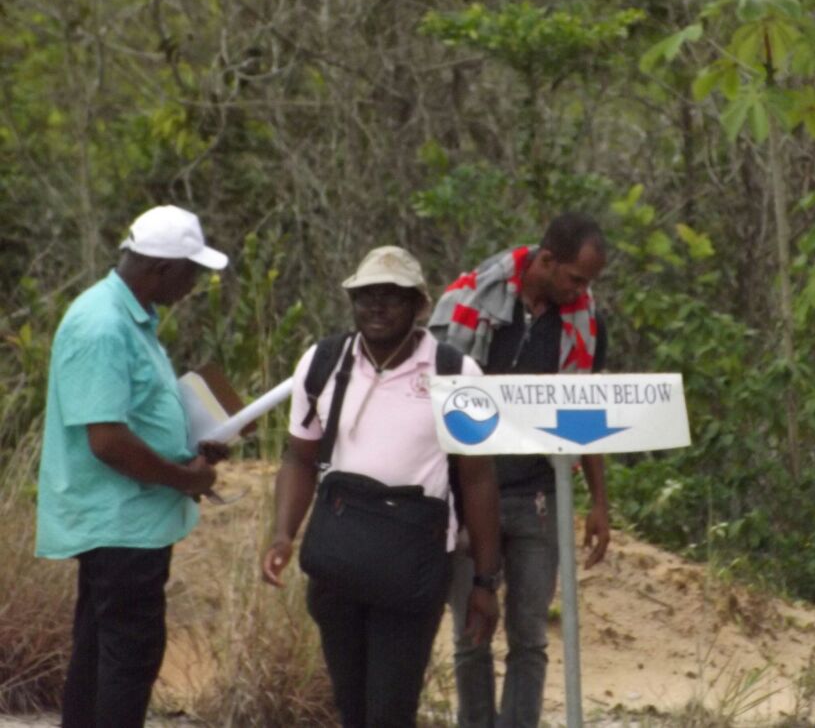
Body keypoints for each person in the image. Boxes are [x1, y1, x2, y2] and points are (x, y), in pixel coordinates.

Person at [261, 246, 500, 728]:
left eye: (392, 296)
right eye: (365, 295)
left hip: (414, 568)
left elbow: (478, 480)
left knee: (391, 710)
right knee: (351, 707)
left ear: (418, 306)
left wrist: (485, 582)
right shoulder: (324, 361)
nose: (376, 306)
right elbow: (300, 457)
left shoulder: (458, 374)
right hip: (338, 562)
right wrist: (283, 534)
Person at [36, 204, 230, 728]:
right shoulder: (102, 325)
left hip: (129, 518)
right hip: (120, 522)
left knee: (100, 651)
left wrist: (193, 442)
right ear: (163, 269)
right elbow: (107, 440)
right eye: (192, 272)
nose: (194, 284)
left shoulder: (128, 317)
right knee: (130, 657)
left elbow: (135, 417)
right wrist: (185, 478)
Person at [429, 212, 611, 728]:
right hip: (467, 495)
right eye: (576, 278)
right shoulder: (469, 304)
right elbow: (434, 403)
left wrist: (599, 502)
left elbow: (584, 413)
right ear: (547, 261)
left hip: (538, 495)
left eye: (588, 283)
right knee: (471, 634)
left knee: (530, 638)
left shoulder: (584, 323)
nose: (581, 290)